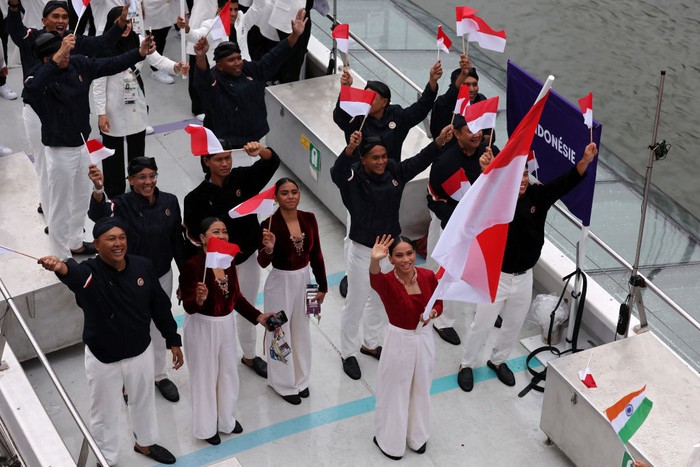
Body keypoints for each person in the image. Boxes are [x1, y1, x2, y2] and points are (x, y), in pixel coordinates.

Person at [37, 217, 183, 465]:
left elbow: (159, 305)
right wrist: (57, 265)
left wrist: (173, 339)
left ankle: (145, 443)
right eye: (111, 239)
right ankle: (106, 458)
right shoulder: (88, 273)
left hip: (140, 351)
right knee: (104, 412)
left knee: (143, 400)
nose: (118, 244)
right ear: (97, 243)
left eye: (122, 237)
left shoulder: (142, 266)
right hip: (103, 357)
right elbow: (70, 272)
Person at [457, 142, 599, 392]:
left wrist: (585, 161)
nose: (522, 179)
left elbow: (564, 182)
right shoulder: (497, 198)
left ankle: (498, 359)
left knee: (514, 323)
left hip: (524, 277)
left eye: (524, 174)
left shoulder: (538, 196)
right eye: (516, 175)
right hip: (497, 276)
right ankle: (466, 364)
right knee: (482, 323)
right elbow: (479, 196)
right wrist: (486, 171)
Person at [331, 126, 451, 380]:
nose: (381, 161)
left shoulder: (394, 170)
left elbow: (418, 161)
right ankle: (348, 352)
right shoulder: (353, 178)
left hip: (390, 253)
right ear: (362, 160)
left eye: (383, 156)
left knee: (380, 301)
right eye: (374, 157)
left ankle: (371, 343)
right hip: (364, 253)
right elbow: (337, 173)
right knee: (356, 301)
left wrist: (439, 142)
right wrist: (349, 149)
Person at [23, 30, 156, 259]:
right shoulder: (39, 76)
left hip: (82, 145)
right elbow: (31, 91)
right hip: (60, 150)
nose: (67, 56)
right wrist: (58, 58)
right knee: (60, 205)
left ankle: (75, 242)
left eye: (67, 51)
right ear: (47, 58)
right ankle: (61, 255)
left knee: (82, 197)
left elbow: (110, 64)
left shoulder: (77, 64)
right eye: (61, 53)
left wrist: (139, 53)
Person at [6, 0, 129, 229]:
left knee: (71, 170)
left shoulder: (74, 40)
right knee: (44, 164)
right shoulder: (32, 37)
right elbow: (13, 29)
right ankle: (53, 217)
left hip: (63, 113)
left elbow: (102, 44)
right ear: (44, 20)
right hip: (37, 111)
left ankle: (69, 222)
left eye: (64, 16)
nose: (61, 20)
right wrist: (14, 6)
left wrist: (120, 24)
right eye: (55, 16)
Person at [87, 157, 184, 402]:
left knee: (160, 324)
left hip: (162, 273)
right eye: (141, 177)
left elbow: (177, 242)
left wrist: (185, 277)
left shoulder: (170, 202)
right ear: (131, 180)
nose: (148, 181)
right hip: (130, 278)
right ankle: (128, 382)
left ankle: (160, 375)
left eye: (152, 176)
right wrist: (99, 189)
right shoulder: (120, 204)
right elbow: (98, 216)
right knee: (131, 327)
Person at [183, 140, 280, 378]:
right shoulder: (194, 198)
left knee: (247, 308)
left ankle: (249, 355)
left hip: (245, 258)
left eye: (228, 157)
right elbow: (192, 238)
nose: (225, 163)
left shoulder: (242, 179)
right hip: (215, 267)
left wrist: (261, 151)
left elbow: (272, 162)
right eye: (218, 159)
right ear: (206, 162)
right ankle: (214, 360)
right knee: (216, 314)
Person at [179, 217, 274, 445]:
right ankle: (205, 426)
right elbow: (189, 306)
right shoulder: (192, 266)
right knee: (205, 376)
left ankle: (226, 419)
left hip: (225, 325)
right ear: (203, 238)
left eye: (224, 232)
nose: (222, 236)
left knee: (228, 372)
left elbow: (236, 297)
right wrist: (199, 299)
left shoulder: (228, 261)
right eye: (215, 232)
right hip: (202, 326)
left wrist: (257, 316)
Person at [94, 6, 187, 197]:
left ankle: (138, 187)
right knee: (112, 154)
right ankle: (115, 193)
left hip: (135, 103)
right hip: (113, 106)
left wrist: (176, 67)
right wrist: (101, 113)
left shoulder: (138, 40)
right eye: (121, 22)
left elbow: (158, 61)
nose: (126, 26)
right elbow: (98, 84)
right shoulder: (103, 47)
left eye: (128, 22)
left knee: (138, 150)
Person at [426, 114, 498, 345]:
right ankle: (442, 319)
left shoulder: (490, 152)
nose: (477, 134)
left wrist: (492, 168)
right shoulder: (444, 163)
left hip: (481, 226)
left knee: (479, 268)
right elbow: (433, 199)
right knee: (446, 271)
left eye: (479, 129)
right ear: (457, 133)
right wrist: (455, 224)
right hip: (450, 227)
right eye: (470, 130)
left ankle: (482, 306)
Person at [369, 234, 441, 460]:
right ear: (390, 259)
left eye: (409, 253)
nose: (406, 259)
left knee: (422, 388)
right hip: (398, 341)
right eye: (398, 255)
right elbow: (374, 278)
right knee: (395, 391)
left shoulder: (429, 276)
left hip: (424, 339)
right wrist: (374, 261)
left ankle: (417, 436)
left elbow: (439, 301)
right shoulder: (387, 282)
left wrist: (433, 313)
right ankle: (390, 441)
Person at [192, 8, 307, 147]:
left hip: (255, 140)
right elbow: (203, 82)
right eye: (231, 60)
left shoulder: (249, 69)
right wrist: (200, 57)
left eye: (239, 58)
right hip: (225, 144)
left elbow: (274, 57)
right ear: (220, 65)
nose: (238, 63)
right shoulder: (214, 80)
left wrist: (294, 35)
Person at [258, 178, 327, 405]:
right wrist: (268, 249)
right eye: (285, 193)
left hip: (306, 281)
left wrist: (323, 287)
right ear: (276, 198)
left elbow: (316, 254)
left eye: (294, 192)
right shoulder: (269, 224)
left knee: (302, 329)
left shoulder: (309, 219)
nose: (290, 197)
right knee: (279, 331)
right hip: (280, 284)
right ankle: (282, 382)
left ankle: (301, 378)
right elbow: (261, 262)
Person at [333, 62, 442, 164]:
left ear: (384, 102)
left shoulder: (396, 115)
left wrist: (432, 81)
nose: (367, 101)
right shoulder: (357, 117)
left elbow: (420, 109)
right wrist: (345, 89)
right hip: (361, 178)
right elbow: (340, 118)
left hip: (389, 176)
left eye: (372, 98)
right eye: (365, 96)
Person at [177, 0, 264, 118]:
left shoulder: (242, 21)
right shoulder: (213, 26)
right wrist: (187, 29)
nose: (233, 14)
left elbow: (258, 7)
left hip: (243, 71)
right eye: (230, 10)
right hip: (223, 76)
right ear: (219, 11)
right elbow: (196, 36)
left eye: (235, 9)